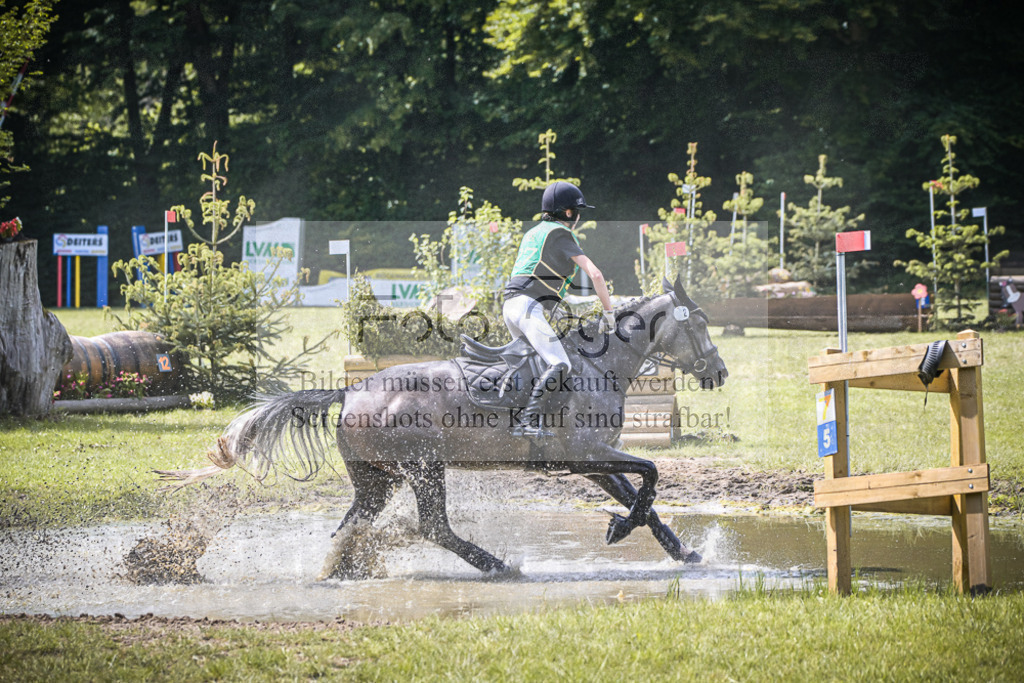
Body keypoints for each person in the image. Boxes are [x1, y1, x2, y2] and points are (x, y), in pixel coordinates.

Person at [502, 180, 615, 437]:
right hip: (528, 309)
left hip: (511, 306)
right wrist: (609, 314)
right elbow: (596, 275)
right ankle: (527, 423)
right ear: (568, 213)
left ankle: (519, 419)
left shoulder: (533, 233)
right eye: (578, 212)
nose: (578, 218)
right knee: (560, 363)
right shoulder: (560, 233)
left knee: (533, 367)